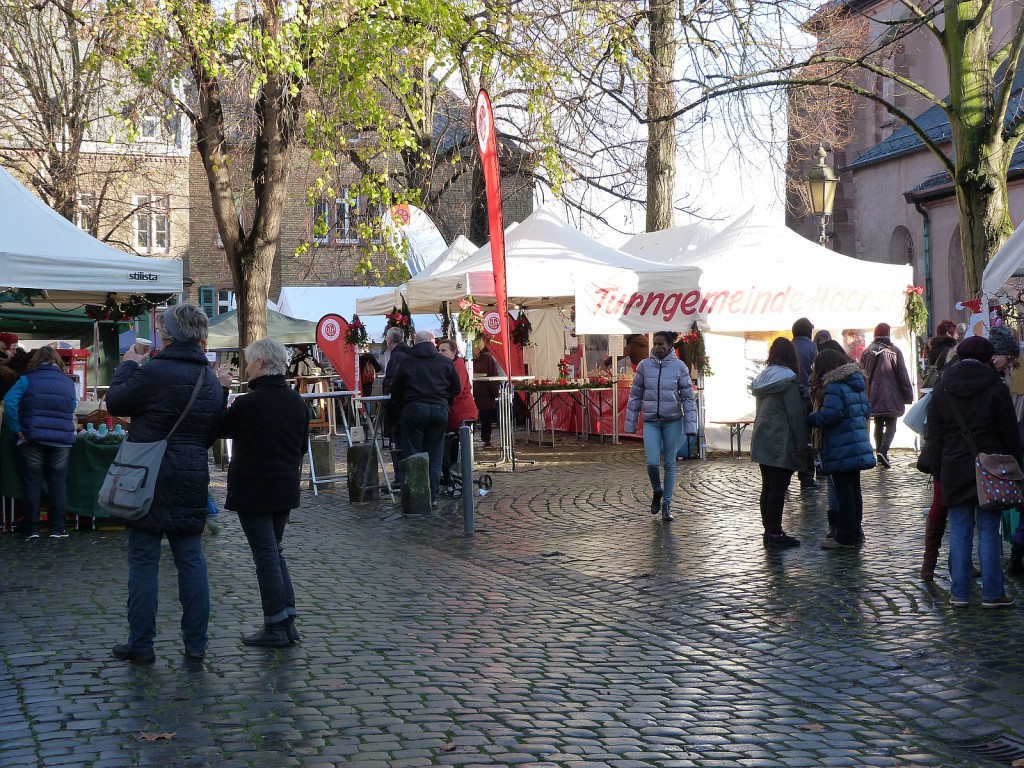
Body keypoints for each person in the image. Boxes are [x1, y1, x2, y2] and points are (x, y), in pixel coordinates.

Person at [105, 303, 229, 663]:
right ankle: (196, 645)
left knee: (143, 560)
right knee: (191, 560)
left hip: (148, 473)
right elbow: (212, 430)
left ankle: (141, 644)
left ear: (167, 333)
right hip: (191, 473)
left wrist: (128, 364)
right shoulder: (209, 379)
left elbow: (115, 402)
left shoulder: (156, 371)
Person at [221, 338, 309, 648]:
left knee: (267, 556)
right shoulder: (297, 401)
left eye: (248, 362)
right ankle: (286, 620)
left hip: (254, 489)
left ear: (260, 364)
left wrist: (221, 389)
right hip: (284, 487)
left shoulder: (248, 403)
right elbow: (302, 447)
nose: (246, 367)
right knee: (275, 551)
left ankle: (275, 624)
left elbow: (218, 428)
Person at [924, 336, 1019, 608]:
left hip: (953, 467)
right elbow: (1009, 433)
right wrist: (1016, 466)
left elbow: (935, 435)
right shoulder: (996, 387)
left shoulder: (943, 387)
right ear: (988, 358)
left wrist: (938, 471)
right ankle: (992, 594)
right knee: (988, 531)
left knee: (960, 530)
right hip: (990, 468)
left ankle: (960, 593)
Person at [2, 347, 77, 540]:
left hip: (31, 438)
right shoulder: (67, 382)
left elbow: (9, 401)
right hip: (61, 441)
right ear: (56, 361)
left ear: (36, 360)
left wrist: (16, 428)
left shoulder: (27, 379)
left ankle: (32, 529)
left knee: (32, 484)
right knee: (58, 484)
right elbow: (73, 405)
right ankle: (57, 528)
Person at [624, 330, 698, 522]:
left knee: (670, 462)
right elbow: (635, 396)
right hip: (651, 422)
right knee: (652, 462)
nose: (657, 347)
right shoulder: (644, 366)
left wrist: (691, 425)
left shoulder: (679, 367)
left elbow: (688, 398)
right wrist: (630, 423)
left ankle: (667, 504)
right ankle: (657, 490)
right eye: (655, 344)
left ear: (670, 346)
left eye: (661, 344)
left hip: (673, 420)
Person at [808, 349, 876, 549]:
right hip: (855, 443)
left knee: (844, 493)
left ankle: (844, 537)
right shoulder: (856, 383)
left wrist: (812, 418)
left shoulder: (834, 386)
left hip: (841, 446)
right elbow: (865, 411)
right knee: (854, 491)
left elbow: (832, 414)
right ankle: (854, 532)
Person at [390, 330, 461, 504]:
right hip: (439, 410)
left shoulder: (406, 361)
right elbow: (456, 388)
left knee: (413, 454)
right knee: (435, 455)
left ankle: (416, 497)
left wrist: (404, 406)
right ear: (433, 343)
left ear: (414, 342)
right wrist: (445, 403)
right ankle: (433, 496)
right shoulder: (445, 362)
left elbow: (395, 388)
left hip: (413, 409)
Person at [750, 338, 808, 548]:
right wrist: (803, 445)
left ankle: (770, 531)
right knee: (778, 488)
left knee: (768, 487)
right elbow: (795, 415)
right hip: (781, 438)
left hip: (763, 436)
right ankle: (774, 533)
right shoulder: (788, 381)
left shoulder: (763, 378)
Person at [861, 322, 913, 468]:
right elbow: (902, 374)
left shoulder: (866, 352)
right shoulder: (894, 351)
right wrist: (908, 395)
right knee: (891, 424)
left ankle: (879, 453)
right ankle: (883, 451)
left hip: (873, 394)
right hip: (891, 394)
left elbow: (862, 374)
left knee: (878, 423)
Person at [438, 338, 478, 482]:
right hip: (453, 413)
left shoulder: (457, 366)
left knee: (451, 446)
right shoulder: (449, 366)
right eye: (439, 350)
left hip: (461, 413)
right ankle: (450, 475)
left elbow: (457, 391)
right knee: (449, 446)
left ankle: (453, 476)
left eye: (444, 350)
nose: (440, 353)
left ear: (453, 351)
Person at [792, 318, 819, 489]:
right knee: (810, 438)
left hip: (791, 398)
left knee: (790, 438)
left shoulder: (788, 346)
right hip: (810, 399)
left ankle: (784, 479)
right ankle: (807, 477)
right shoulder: (813, 348)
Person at [381, 326, 411, 475]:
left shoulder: (397, 356)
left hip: (397, 408)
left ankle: (400, 477)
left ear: (389, 339)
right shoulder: (407, 353)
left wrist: (388, 393)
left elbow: (393, 382)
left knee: (397, 443)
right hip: (405, 406)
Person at [472, 337, 502, 448]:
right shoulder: (467, 359)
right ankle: (470, 438)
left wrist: (494, 392)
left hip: (485, 392)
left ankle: (486, 438)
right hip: (472, 391)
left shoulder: (487, 359)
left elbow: (493, 374)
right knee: (472, 416)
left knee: (486, 418)